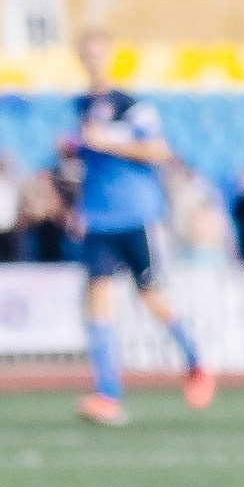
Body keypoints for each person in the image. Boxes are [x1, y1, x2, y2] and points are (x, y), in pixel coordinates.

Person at [63, 32, 215, 424]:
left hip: (136, 215)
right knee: (98, 300)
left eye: (99, 53)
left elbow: (160, 151)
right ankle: (108, 394)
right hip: (99, 218)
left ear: (110, 55)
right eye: (87, 54)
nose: (93, 60)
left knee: (151, 298)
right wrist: (79, 205)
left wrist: (107, 142)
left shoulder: (132, 106)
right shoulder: (81, 105)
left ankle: (196, 360)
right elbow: (88, 165)